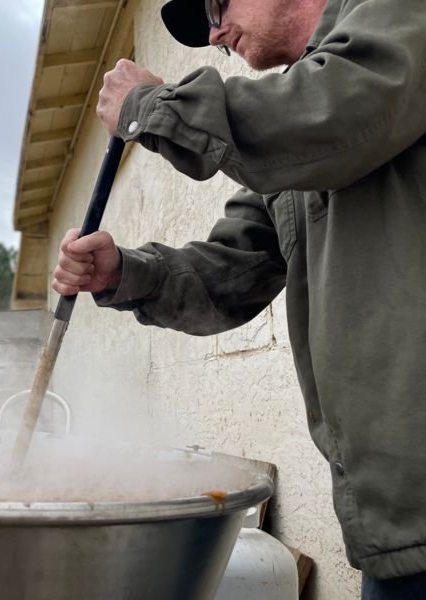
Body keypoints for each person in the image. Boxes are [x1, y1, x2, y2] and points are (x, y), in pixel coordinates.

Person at [52, 0, 426, 597]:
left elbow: (333, 111)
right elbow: (231, 275)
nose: (215, 33)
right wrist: (122, 272)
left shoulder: (398, 18)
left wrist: (155, 106)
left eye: (215, 5)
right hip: (393, 521)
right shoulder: (292, 141)